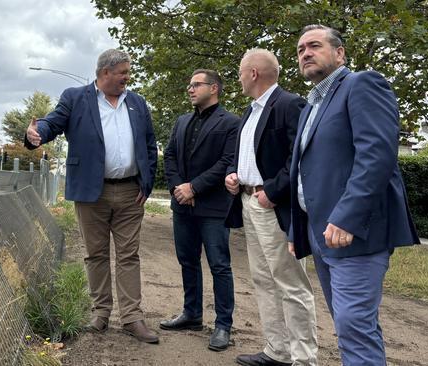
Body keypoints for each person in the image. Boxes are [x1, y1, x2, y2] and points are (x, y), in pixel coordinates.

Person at [289, 25, 420, 364]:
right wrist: (296, 227)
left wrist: (347, 217)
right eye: (300, 49)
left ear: (340, 53)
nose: (305, 53)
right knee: (351, 326)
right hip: (320, 235)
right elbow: (305, 173)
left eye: (314, 46)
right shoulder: (310, 107)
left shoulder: (362, 84)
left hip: (355, 233)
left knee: (353, 327)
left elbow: (376, 156)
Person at [24, 49, 159, 344]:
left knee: (128, 255)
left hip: (130, 192)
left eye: (128, 72)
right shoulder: (76, 97)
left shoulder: (136, 102)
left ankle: (132, 318)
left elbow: (149, 143)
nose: (128, 77)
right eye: (123, 72)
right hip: (90, 191)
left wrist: (147, 184)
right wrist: (37, 134)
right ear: (105, 72)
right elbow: (52, 123)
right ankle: (100, 313)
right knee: (96, 254)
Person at [225, 49, 318, 366]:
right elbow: (252, 155)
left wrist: (272, 192)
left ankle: (304, 359)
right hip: (248, 202)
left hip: (272, 206)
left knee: (291, 283)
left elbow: (300, 157)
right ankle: (277, 350)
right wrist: (235, 176)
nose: (238, 78)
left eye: (240, 72)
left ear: (253, 73)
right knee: (264, 280)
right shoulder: (250, 113)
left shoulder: (289, 104)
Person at [161, 69, 239, 351]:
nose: (190, 89)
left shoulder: (231, 123)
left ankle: (223, 325)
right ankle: (192, 315)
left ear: (214, 88)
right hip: (182, 205)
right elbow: (169, 156)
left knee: (220, 265)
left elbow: (228, 161)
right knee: (188, 261)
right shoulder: (181, 121)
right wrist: (178, 188)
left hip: (213, 207)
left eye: (196, 84)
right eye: (189, 85)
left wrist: (194, 187)